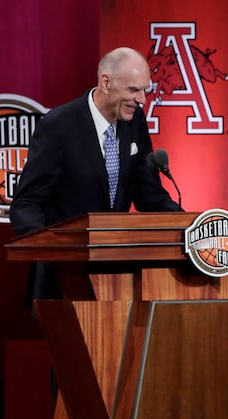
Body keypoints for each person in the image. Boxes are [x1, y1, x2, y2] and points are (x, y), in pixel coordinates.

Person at [10, 46, 182, 300]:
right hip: (64, 282)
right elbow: (26, 204)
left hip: (118, 280)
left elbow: (149, 195)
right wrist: (53, 251)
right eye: (133, 90)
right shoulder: (59, 125)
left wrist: (187, 226)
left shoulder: (135, 122)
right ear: (106, 82)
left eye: (145, 90)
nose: (142, 99)